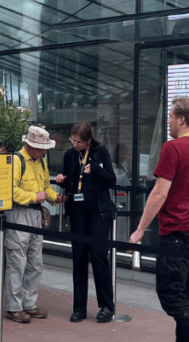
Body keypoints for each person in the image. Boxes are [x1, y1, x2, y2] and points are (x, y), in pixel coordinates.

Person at [130, 97, 189, 342]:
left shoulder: (173, 148)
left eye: (170, 116)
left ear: (181, 119)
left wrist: (139, 229)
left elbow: (159, 193)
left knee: (171, 294)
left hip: (177, 231)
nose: (167, 120)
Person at [55, 122, 117, 322]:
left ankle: (107, 306)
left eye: (79, 142)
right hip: (78, 211)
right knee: (79, 258)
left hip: (98, 211)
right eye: (73, 140)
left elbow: (112, 180)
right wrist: (61, 180)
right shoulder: (69, 155)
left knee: (99, 256)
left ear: (88, 140)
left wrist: (97, 169)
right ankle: (79, 307)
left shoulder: (101, 152)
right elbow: (68, 179)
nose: (75, 144)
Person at [4, 125, 60, 323]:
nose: (44, 152)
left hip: (35, 215)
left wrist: (55, 197)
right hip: (19, 213)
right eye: (41, 147)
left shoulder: (40, 162)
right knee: (16, 262)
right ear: (30, 145)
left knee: (35, 262)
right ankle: (14, 306)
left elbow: (46, 186)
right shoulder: (17, 161)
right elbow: (10, 191)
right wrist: (33, 197)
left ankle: (28, 303)